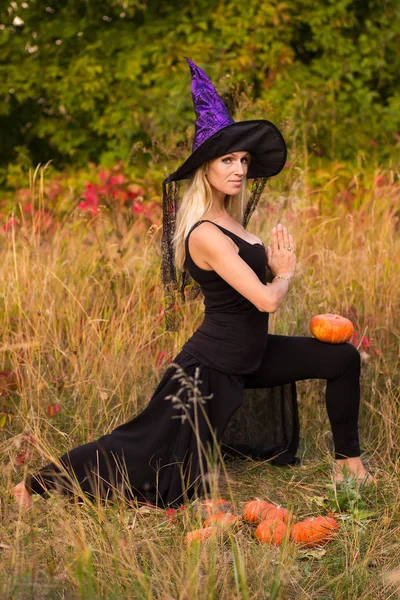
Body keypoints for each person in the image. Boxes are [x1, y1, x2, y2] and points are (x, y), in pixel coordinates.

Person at [14, 59, 372, 509]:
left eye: (243, 160)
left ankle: (349, 466)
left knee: (341, 358)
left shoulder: (233, 222)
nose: (239, 169)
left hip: (251, 355)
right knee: (142, 448)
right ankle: (33, 486)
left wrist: (276, 267)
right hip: (213, 364)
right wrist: (283, 273)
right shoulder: (204, 231)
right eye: (227, 160)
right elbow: (265, 300)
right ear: (205, 168)